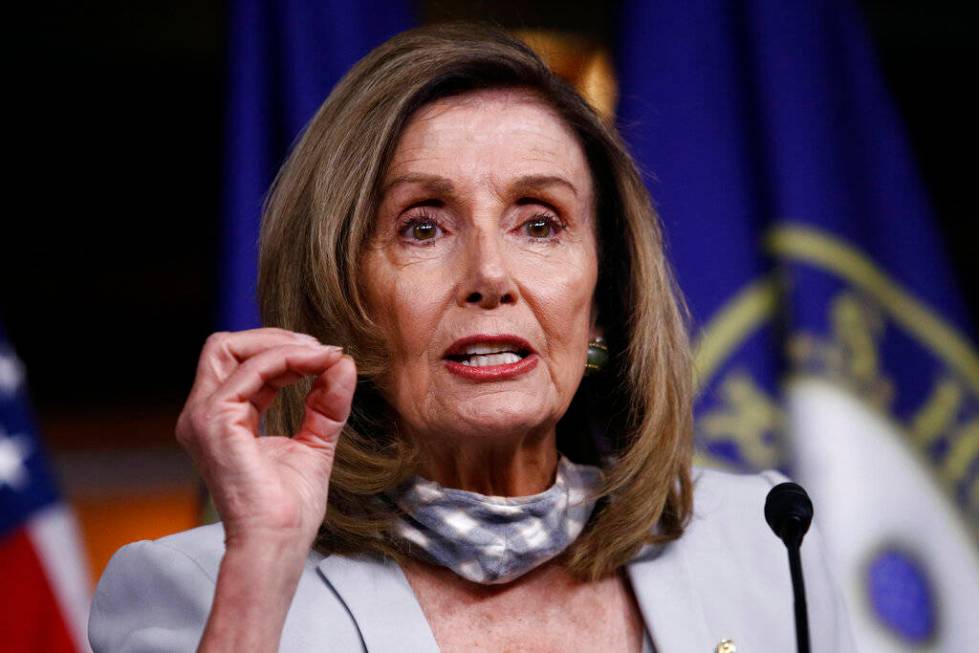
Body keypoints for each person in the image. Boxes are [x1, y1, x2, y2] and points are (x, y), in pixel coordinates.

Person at [89, 24, 854, 652]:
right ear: (341, 297)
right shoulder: (197, 585)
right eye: (422, 226)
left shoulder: (766, 542)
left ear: (602, 301)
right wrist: (261, 565)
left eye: (538, 223)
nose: (489, 273)